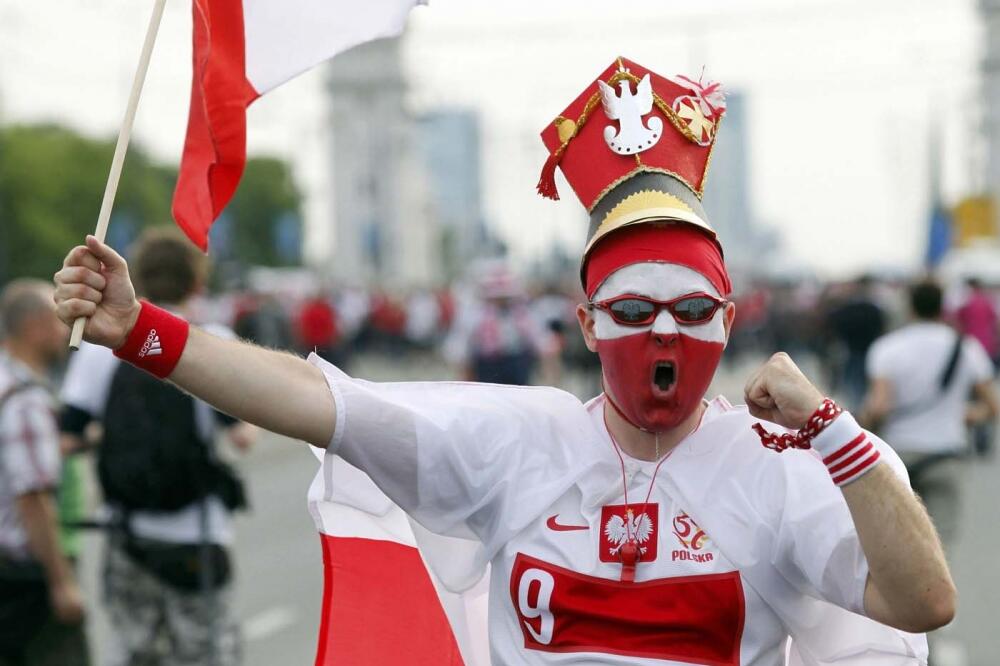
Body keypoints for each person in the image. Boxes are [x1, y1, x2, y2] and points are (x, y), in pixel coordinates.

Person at [55, 59, 955, 663]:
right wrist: (142, 332)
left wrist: (834, 432)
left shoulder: (785, 466)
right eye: (634, 312)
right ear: (586, 324)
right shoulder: (516, 439)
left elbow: (923, 602)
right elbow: (310, 397)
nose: (666, 336)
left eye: (692, 312)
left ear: (731, 315)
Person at [59, 228, 253, 666]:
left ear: (137, 279)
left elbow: (67, 436)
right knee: (204, 652)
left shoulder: (102, 345)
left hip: (127, 534)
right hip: (196, 532)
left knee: (133, 650)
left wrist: (103, 436)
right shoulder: (212, 337)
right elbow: (241, 435)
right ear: (197, 281)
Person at [863, 279, 1000, 552]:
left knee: (896, 545)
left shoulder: (888, 348)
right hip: (945, 455)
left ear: (910, 307)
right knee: (938, 548)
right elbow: (992, 407)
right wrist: (963, 415)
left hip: (897, 456)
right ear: (943, 308)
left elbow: (878, 407)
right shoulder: (966, 348)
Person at [0, 279, 88, 666]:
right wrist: (61, 582)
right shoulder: (26, 398)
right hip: (25, 576)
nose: (64, 330)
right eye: (57, 320)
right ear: (35, 327)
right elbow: (32, 496)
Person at [825, 275, 886, 410]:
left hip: (852, 352)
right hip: (870, 351)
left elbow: (837, 326)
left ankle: (857, 410)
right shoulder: (875, 309)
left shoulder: (847, 308)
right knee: (867, 386)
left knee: (853, 387)